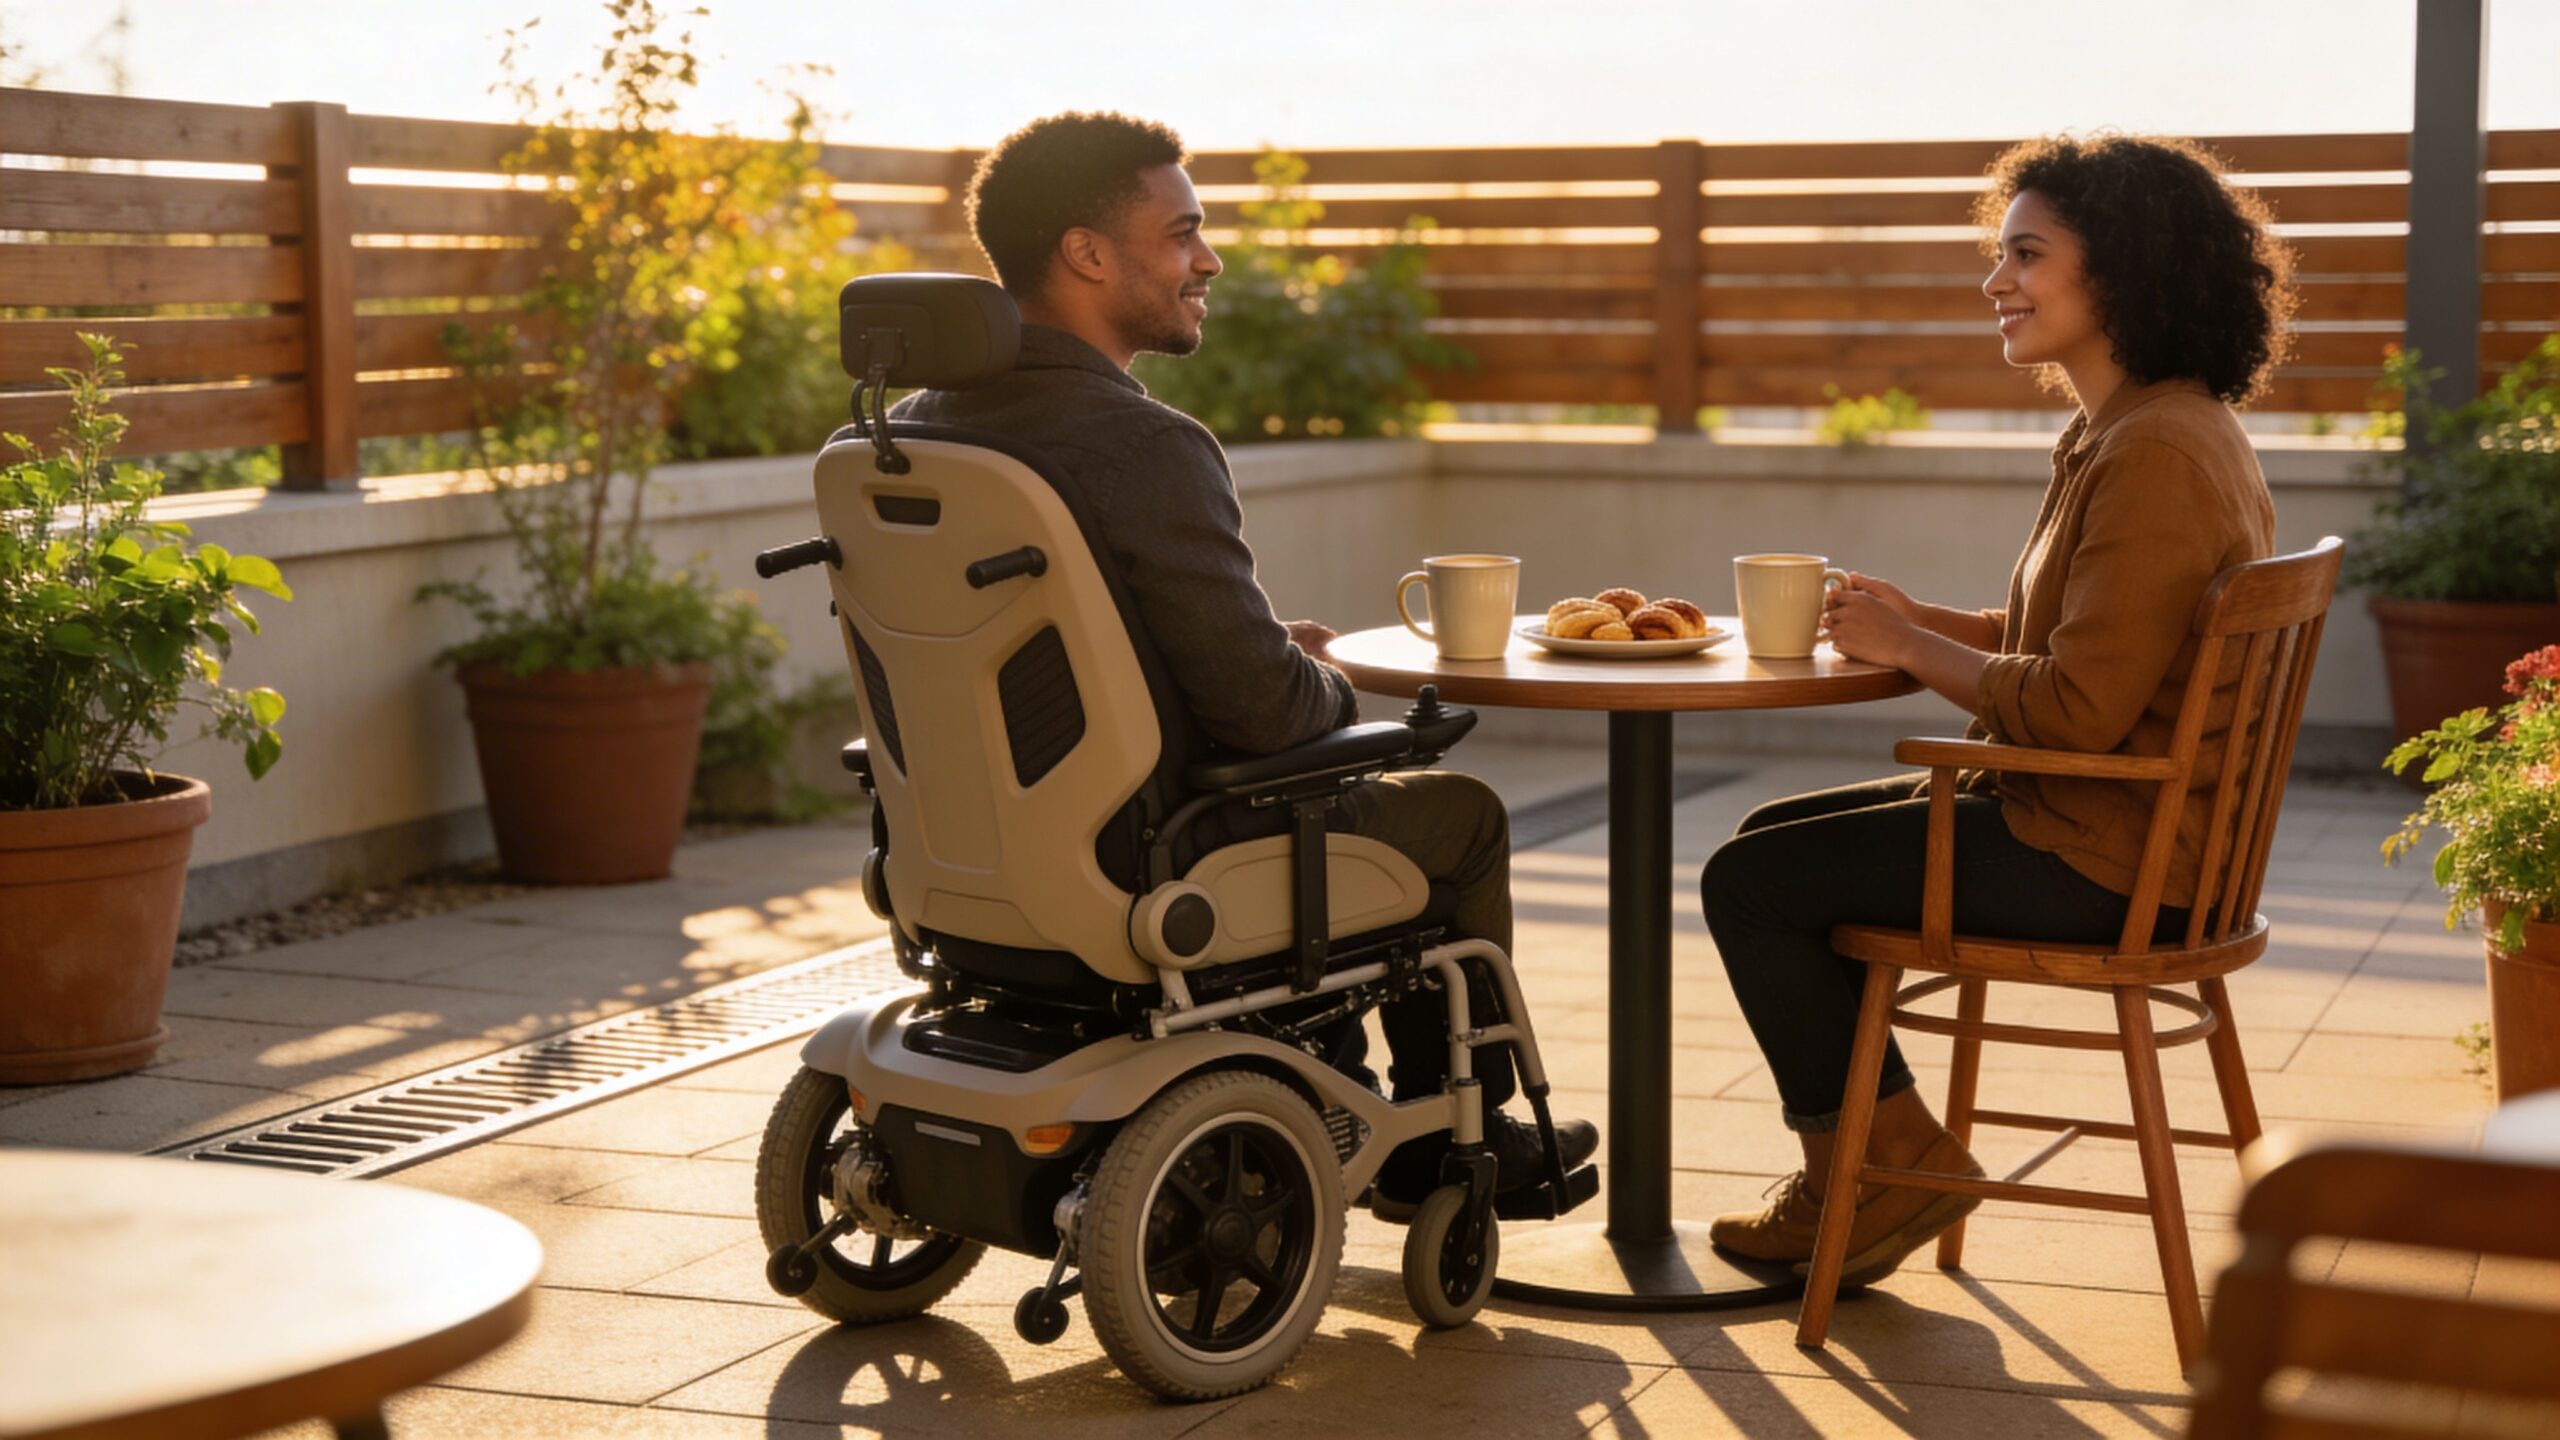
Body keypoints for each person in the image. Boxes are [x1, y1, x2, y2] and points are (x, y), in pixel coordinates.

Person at [891, 111, 1595, 1214]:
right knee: (1452, 813)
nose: (1206, 259)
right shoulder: (1142, 447)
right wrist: (1320, 679)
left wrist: (1262, 659)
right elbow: (1269, 716)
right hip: (1143, 859)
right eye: (1181, 233)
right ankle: (1443, 1144)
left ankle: (1334, 1082)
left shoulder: (911, 438)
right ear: (1085, 254)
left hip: (959, 864)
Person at [1698, 134, 2296, 1284]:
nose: (1996, 281)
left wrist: (1910, 649)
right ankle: (1877, 1165)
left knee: (1750, 885)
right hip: (2114, 831)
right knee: (1769, 843)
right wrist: (1937, 621)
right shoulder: (2130, 426)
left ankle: (1879, 1175)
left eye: (2026, 255)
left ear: (2120, 270)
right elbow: (2090, 648)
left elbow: (2075, 709)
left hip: (2103, 855)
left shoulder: (2155, 450)